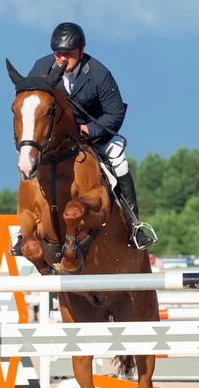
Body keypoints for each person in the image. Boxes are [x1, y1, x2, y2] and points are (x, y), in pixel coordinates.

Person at [10, 22, 158, 256]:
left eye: (68, 54)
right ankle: (24, 230)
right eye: (58, 53)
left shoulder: (99, 74)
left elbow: (115, 112)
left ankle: (134, 227)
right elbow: (31, 103)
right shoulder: (41, 67)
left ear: (81, 51)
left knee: (119, 162)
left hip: (95, 133)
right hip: (55, 138)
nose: (62, 59)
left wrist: (89, 129)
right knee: (30, 162)